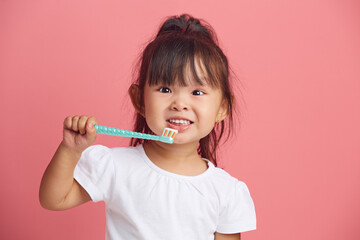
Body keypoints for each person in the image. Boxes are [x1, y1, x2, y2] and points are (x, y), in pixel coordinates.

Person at [39, 14, 256, 240]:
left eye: (197, 92)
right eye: (164, 89)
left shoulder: (227, 192)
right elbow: (53, 199)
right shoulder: (115, 166)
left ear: (222, 108)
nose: (180, 104)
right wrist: (70, 150)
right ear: (139, 100)